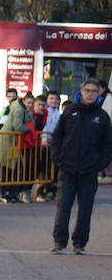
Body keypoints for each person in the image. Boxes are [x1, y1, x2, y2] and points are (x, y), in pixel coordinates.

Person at [50, 78, 112, 254]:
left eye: (94, 91)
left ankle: (79, 243)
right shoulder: (70, 111)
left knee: (85, 209)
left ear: (98, 93)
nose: (90, 94)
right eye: (87, 90)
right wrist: (57, 159)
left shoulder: (102, 117)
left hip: (89, 171)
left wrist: (100, 165)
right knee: (63, 206)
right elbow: (57, 137)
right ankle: (59, 242)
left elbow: (108, 145)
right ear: (81, 92)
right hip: (67, 169)